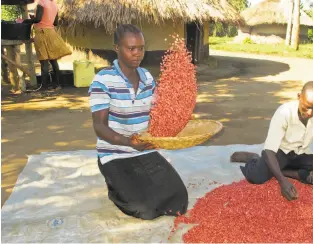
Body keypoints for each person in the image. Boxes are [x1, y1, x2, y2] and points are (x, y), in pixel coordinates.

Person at [88, 24, 188, 220]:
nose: (137, 54)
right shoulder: (103, 80)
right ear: (117, 48)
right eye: (131, 48)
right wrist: (128, 142)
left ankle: (134, 183)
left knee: (178, 202)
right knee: (145, 209)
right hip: (115, 153)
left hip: (145, 148)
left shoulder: (147, 78)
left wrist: (179, 112)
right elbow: (99, 127)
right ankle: (114, 189)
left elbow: (158, 113)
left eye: (141, 48)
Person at [231, 81, 313, 201]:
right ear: (299, 97)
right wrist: (282, 182)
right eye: (307, 107)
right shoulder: (283, 113)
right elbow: (269, 150)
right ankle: (254, 158)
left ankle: (283, 171)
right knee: (256, 177)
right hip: (281, 154)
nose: (310, 113)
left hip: (302, 154)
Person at [18, 0, 71, 89]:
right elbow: (55, 23)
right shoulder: (54, 5)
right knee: (53, 60)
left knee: (44, 61)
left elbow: (38, 19)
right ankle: (57, 84)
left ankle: (44, 86)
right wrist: (37, 19)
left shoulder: (41, 3)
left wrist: (26, 21)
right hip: (51, 33)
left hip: (41, 33)